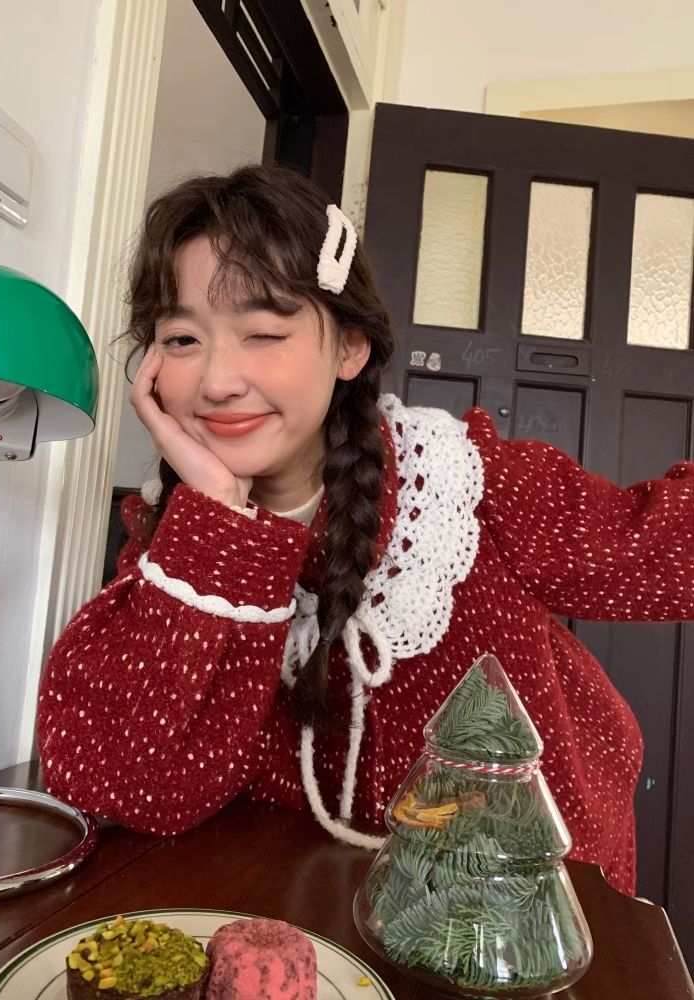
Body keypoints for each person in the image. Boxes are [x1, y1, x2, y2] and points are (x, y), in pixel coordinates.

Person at [37, 164, 694, 897]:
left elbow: (672, 550)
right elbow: (126, 789)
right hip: (314, 913)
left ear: (349, 348)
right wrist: (220, 518)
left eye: (263, 332)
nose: (218, 381)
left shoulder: (464, 486)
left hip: (521, 910)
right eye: (183, 339)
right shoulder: (173, 541)